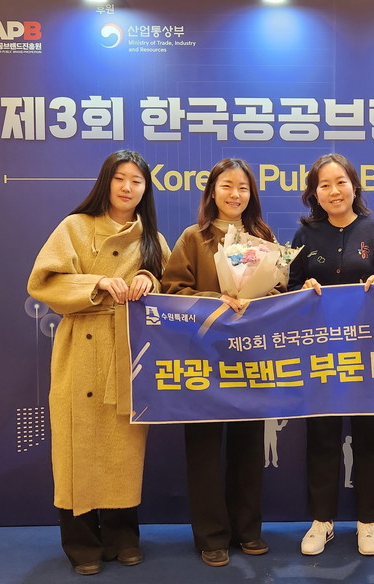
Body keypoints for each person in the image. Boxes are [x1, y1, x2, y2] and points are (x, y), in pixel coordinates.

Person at [27, 150, 170, 576]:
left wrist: (149, 278)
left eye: (137, 181)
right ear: (106, 181)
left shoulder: (152, 238)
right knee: (76, 447)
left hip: (128, 353)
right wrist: (97, 283)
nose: (127, 187)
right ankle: (81, 543)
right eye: (120, 178)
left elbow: (174, 286)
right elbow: (44, 281)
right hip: (80, 350)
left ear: (146, 189)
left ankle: (123, 537)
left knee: (123, 449)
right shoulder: (75, 227)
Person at [160, 158, 274, 567]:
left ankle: (248, 530)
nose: (235, 194)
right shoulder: (193, 238)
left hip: (249, 359)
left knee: (248, 448)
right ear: (212, 191)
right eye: (227, 185)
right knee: (204, 451)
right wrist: (216, 301)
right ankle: (211, 536)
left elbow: (278, 290)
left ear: (251, 194)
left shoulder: (263, 237)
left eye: (243, 187)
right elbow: (172, 289)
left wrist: (262, 298)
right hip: (202, 360)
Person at [288, 153, 374, 556]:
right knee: (321, 436)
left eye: (341, 182)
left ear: (354, 186)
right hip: (320, 355)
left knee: (371, 437)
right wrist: (301, 290)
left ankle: (368, 521)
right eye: (324, 184)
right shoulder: (304, 236)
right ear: (314, 193)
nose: (333, 191)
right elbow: (288, 289)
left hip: (368, 356)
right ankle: (322, 520)